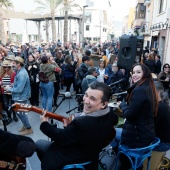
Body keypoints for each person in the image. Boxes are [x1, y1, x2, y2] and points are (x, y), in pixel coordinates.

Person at [36, 81, 118, 170]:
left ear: (103, 104)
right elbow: (83, 135)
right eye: (86, 95)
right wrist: (70, 129)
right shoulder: (112, 116)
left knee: (39, 144)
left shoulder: (81, 123)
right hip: (91, 158)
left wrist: (44, 124)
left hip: (74, 158)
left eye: (93, 99)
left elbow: (61, 137)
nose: (86, 101)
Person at [117, 63, 158, 170]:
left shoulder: (140, 90)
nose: (134, 75)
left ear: (146, 74)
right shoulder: (149, 87)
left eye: (138, 72)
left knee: (110, 131)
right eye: (133, 72)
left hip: (136, 139)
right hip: (145, 136)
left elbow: (129, 115)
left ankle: (123, 158)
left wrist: (122, 105)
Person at [4, 57, 33, 136]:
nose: (12, 65)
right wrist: (14, 84)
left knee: (21, 113)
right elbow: (19, 84)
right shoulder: (20, 71)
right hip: (20, 96)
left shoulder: (22, 74)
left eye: (14, 63)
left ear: (18, 64)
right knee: (20, 112)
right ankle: (25, 125)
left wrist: (9, 88)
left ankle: (29, 128)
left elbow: (19, 89)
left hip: (21, 97)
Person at [154, 81, 170, 151]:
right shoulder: (163, 105)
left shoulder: (159, 107)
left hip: (162, 143)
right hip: (164, 142)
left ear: (157, 93)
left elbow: (150, 128)